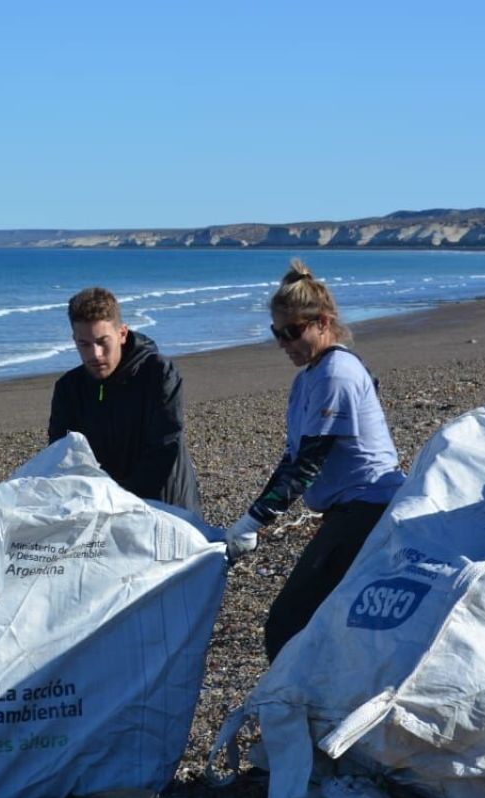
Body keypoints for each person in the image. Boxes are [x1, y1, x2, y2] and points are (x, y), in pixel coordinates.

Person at [225, 259, 406, 662]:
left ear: (323, 323)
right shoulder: (309, 375)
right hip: (347, 510)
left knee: (287, 623)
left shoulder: (335, 373)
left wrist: (254, 521)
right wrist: (251, 518)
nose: (285, 343)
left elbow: (308, 464)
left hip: (367, 509)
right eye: (277, 334)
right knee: (327, 619)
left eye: (293, 332)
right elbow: (292, 458)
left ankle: (297, 711)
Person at [48, 287, 201, 514]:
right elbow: (60, 455)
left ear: (122, 334)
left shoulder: (158, 374)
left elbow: (165, 447)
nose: (95, 354)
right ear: (74, 340)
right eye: (84, 344)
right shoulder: (69, 388)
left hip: (164, 505)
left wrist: (121, 500)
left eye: (103, 342)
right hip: (103, 506)